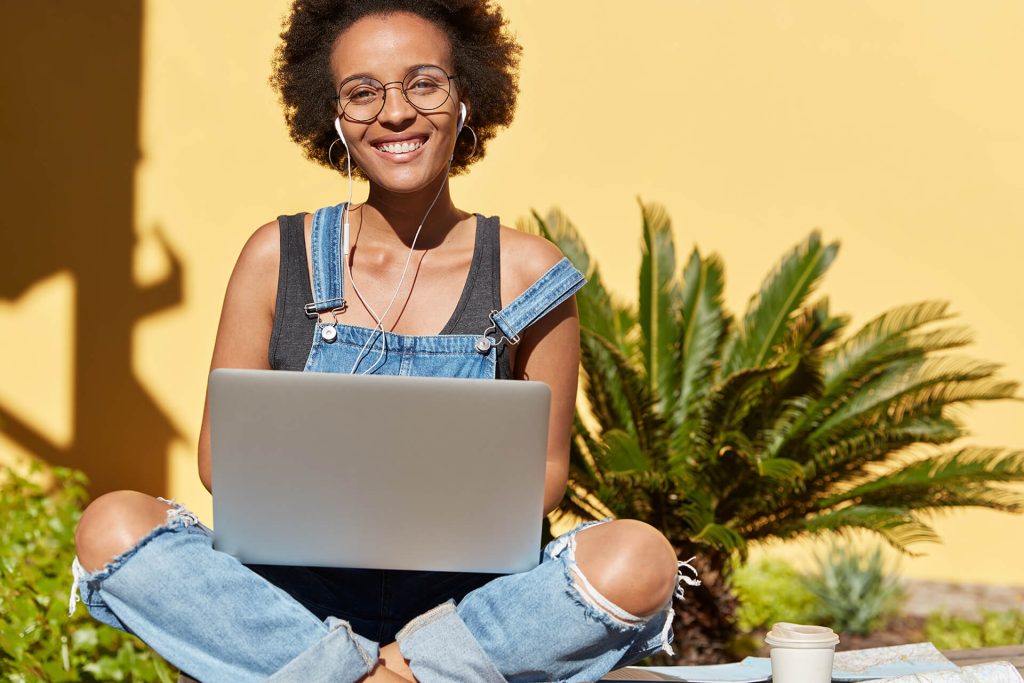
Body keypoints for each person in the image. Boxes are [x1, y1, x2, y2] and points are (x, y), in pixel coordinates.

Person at [69, 1, 696, 681]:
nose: (395, 113)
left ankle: (382, 669)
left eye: (424, 83)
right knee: (112, 526)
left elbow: (545, 474)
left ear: (466, 98)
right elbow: (222, 461)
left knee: (640, 557)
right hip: (291, 607)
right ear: (333, 116)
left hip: (471, 610)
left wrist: (429, 508)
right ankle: (385, 673)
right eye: (363, 92)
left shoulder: (528, 272)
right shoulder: (277, 257)